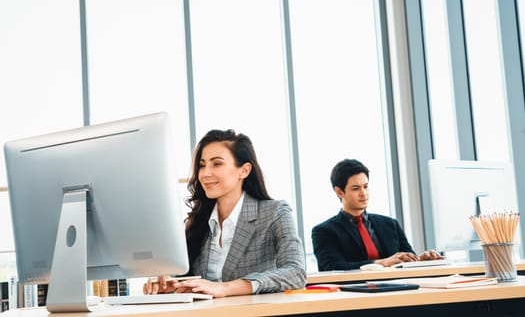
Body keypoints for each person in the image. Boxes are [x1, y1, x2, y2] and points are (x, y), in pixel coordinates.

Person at [144, 129, 306, 297]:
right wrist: (172, 284)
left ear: (244, 170)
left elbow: (295, 272)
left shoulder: (275, 213)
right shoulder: (199, 221)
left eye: (217, 164)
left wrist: (225, 288)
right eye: (202, 165)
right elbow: (194, 283)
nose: (206, 173)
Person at [312, 158, 443, 271]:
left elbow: (406, 260)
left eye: (366, 186)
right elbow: (334, 267)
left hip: (398, 289)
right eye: (356, 188)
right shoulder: (324, 231)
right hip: (352, 293)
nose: (363, 193)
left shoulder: (390, 224)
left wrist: (422, 260)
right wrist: (382, 263)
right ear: (339, 192)